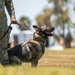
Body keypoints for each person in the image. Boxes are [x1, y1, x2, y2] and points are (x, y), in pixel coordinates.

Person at [0, 0, 17, 65]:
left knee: (3, 45)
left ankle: (6, 67)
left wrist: (13, 16)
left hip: (2, 22)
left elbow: (9, 3)